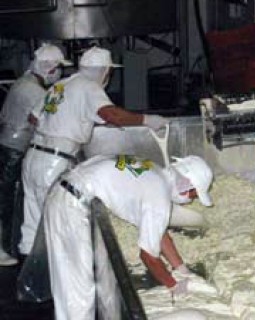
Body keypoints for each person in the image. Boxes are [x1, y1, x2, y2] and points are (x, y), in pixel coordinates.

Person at [19, 46, 169, 256]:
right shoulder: (90, 86)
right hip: (54, 160)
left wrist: (72, 122)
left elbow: (34, 118)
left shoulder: (61, 85)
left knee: (34, 220)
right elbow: (111, 115)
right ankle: (55, 279)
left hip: (33, 156)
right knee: (57, 221)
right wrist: (147, 120)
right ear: (105, 71)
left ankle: (28, 275)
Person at [43, 154, 213, 319]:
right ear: (186, 184)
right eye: (194, 194)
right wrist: (174, 286)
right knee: (77, 290)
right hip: (72, 204)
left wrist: (182, 269)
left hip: (67, 191)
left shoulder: (154, 171)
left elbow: (158, 234)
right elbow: (148, 256)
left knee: (74, 283)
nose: (191, 201)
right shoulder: (158, 195)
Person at [0, 44, 71, 266]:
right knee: (6, 200)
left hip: (9, 144)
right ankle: (2, 249)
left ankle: (12, 245)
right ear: (48, 68)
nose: (59, 73)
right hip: (14, 148)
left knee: (9, 198)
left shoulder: (25, 82)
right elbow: (48, 119)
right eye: (58, 68)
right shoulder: (33, 90)